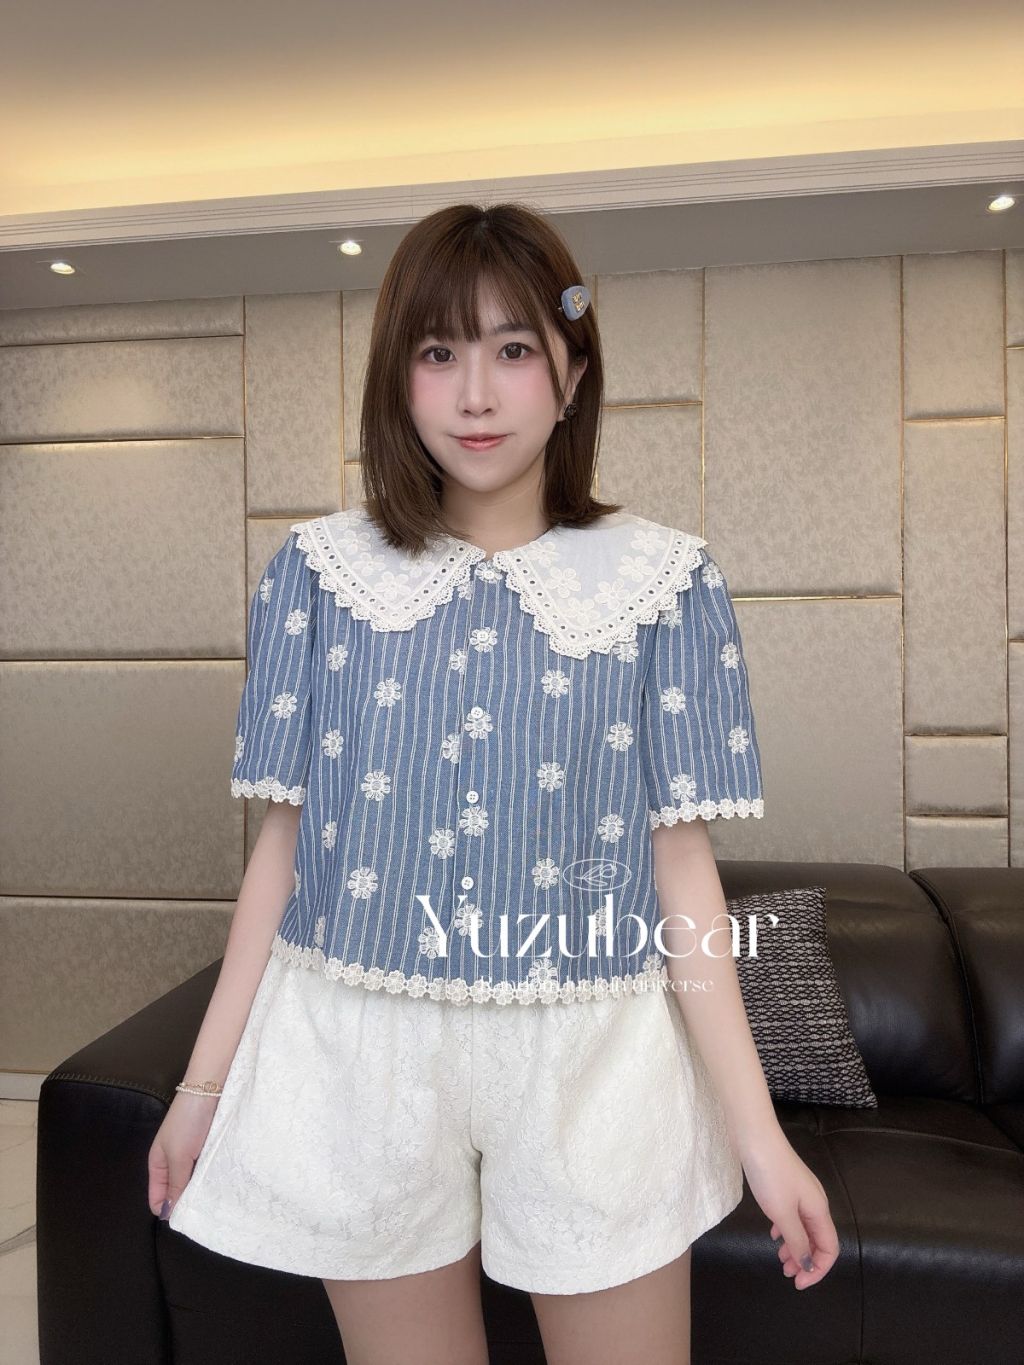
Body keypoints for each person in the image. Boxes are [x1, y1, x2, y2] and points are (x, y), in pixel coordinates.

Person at [148, 201, 839, 1365]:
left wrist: (761, 1137)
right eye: (438, 352)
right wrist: (202, 1089)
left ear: (573, 372)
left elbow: (680, 870)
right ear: (398, 378)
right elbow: (286, 849)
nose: (475, 394)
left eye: (513, 349)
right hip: (359, 1051)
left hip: (591, 1054)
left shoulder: (664, 583)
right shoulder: (317, 576)